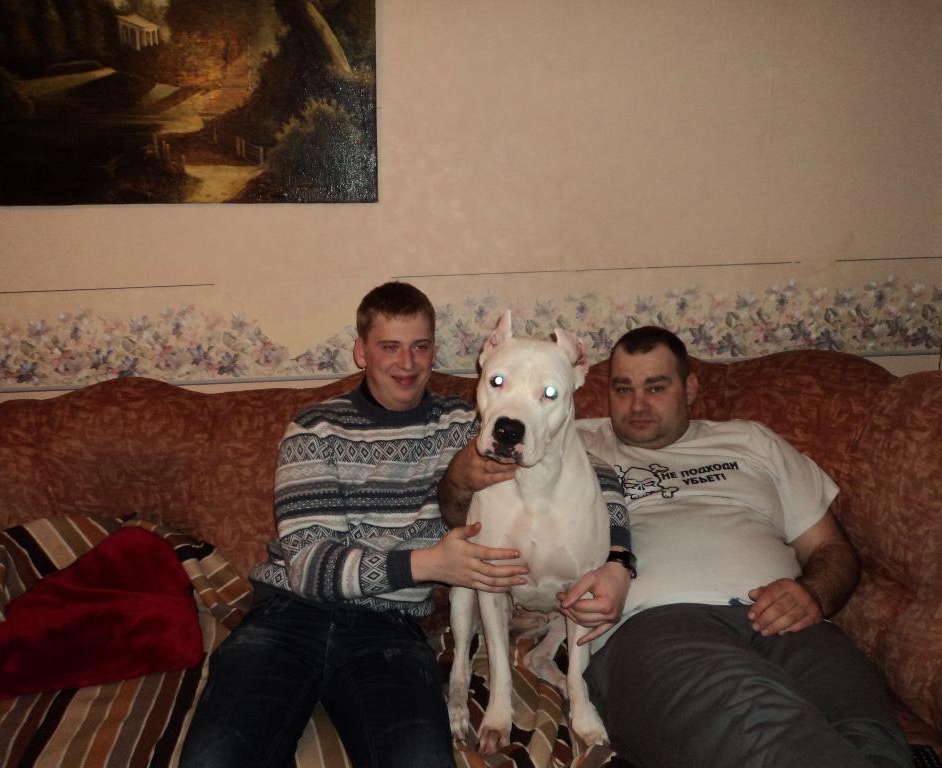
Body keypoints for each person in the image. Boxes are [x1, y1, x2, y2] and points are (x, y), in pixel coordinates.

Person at [180, 282, 531, 768]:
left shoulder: (465, 426)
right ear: (361, 352)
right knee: (216, 760)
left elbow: (580, 467)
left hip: (389, 633)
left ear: (434, 351)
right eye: (390, 347)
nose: (407, 363)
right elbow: (308, 567)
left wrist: (618, 558)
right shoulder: (316, 428)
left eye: (420, 346)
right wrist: (431, 564)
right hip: (288, 619)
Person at [566, 325, 913, 768]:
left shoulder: (752, 441)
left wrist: (812, 594)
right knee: (761, 726)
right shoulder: (573, 446)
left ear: (690, 388)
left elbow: (831, 548)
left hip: (793, 627)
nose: (637, 405)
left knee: (875, 742)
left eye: (655, 387)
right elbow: (493, 478)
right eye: (622, 389)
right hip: (657, 629)